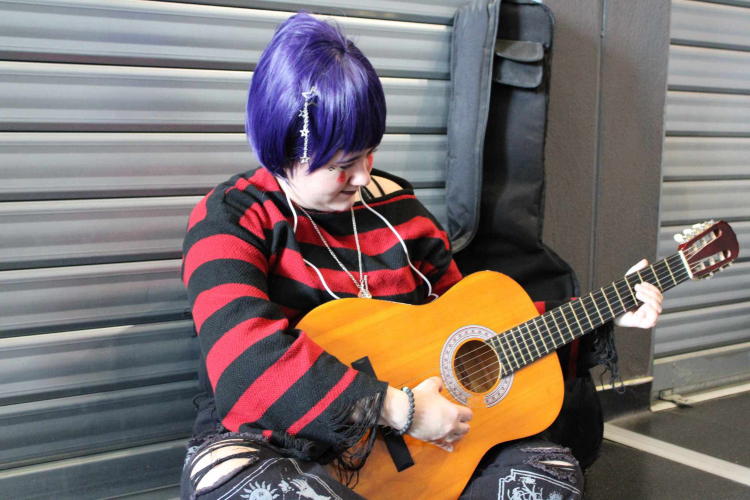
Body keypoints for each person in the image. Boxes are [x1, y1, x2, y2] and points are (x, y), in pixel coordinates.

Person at [180, 12, 663, 500]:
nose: (363, 176)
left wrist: (605, 314)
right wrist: (399, 410)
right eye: (343, 164)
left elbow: (473, 330)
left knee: (548, 478)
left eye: (370, 153)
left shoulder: (400, 208)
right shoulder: (230, 218)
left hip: (421, 452)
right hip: (272, 444)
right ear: (283, 150)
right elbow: (243, 363)